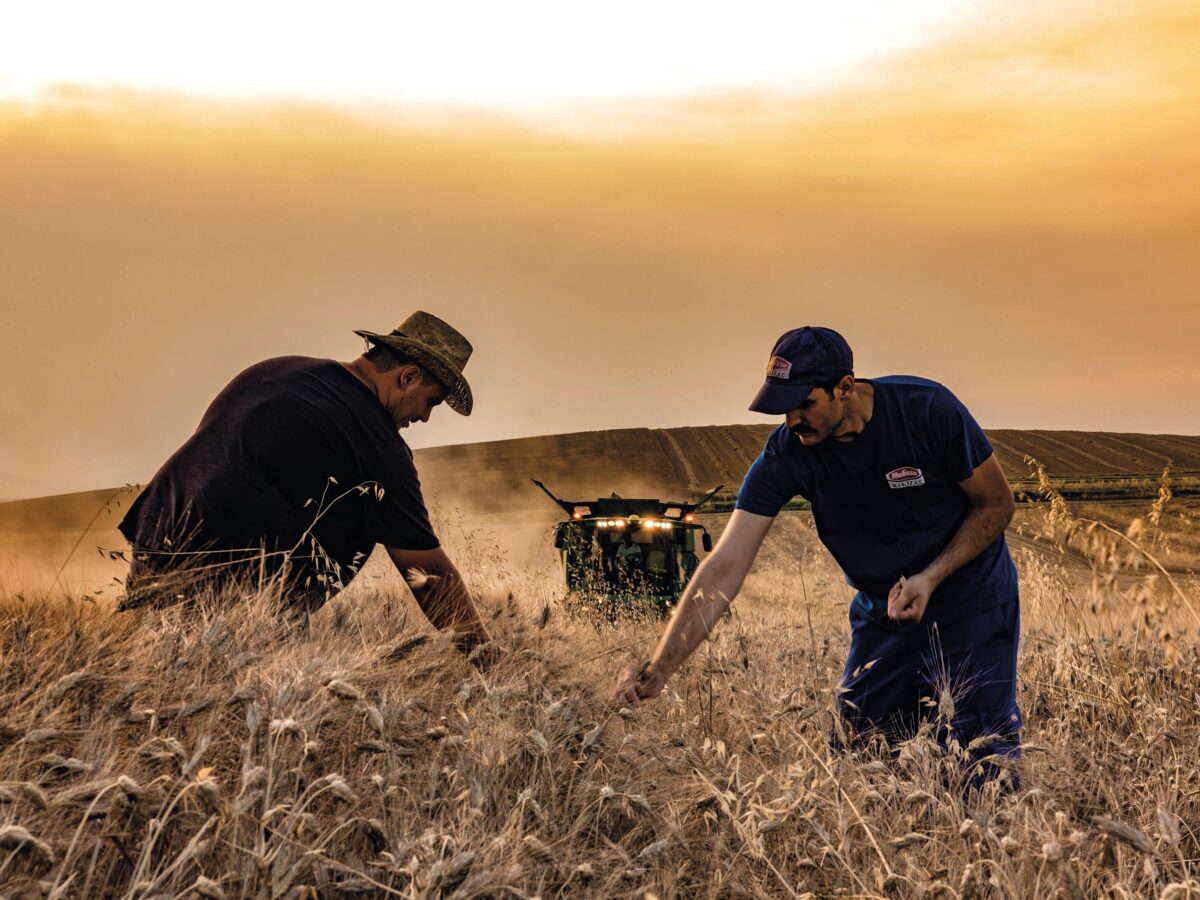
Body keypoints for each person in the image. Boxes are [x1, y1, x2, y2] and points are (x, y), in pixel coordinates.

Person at [611, 326, 1021, 788]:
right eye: (782, 408)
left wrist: (931, 576)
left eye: (804, 404)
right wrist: (660, 668)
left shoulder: (927, 411)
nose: (792, 420)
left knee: (978, 763)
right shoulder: (787, 455)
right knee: (857, 758)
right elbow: (724, 564)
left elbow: (996, 504)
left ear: (844, 388)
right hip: (882, 611)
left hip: (972, 601)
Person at [118, 311, 496, 658]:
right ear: (408, 377)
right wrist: (488, 659)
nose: (426, 417)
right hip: (234, 588)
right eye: (431, 401)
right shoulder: (380, 448)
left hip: (156, 538)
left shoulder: (274, 370)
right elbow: (428, 576)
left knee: (148, 673)